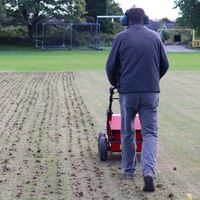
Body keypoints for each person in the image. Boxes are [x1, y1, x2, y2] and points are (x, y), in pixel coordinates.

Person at [106, 7, 169, 192]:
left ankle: (129, 171)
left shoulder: (120, 38)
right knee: (150, 133)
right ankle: (148, 172)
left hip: (128, 93)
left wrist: (116, 83)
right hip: (151, 92)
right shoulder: (155, 37)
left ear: (126, 20)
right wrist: (153, 80)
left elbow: (110, 67)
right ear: (145, 19)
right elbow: (165, 64)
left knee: (127, 132)